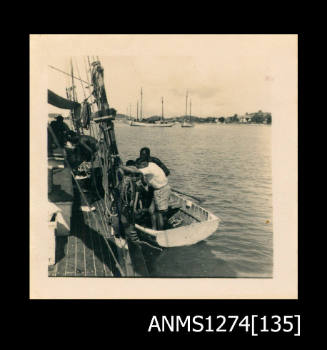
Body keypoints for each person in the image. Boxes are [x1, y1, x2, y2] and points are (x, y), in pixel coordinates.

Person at [120, 158, 171, 230]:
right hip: (157, 190)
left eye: (139, 166)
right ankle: (154, 229)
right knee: (151, 210)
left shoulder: (148, 169)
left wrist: (120, 166)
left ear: (143, 164)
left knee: (160, 213)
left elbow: (134, 170)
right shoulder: (152, 164)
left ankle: (160, 231)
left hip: (161, 190)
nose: (138, 168)